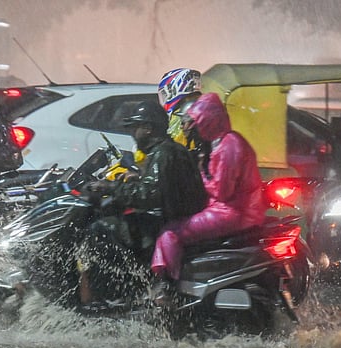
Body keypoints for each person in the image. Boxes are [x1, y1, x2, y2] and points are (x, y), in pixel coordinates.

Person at [77, 101, 208, 308]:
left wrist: (110, 188)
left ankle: (121, 292)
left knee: (101, 230)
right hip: (174, 216)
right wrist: (130, 180)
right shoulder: (168, 151)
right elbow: (158, 186)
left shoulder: (164, 153)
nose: (133, 134)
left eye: (135, 128)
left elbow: (150, 194)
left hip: (171, 221)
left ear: (148, 128)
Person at [151, 92, 268, 286]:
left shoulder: (230, 146)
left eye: (193, 122)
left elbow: (222, 190)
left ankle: (167, 287)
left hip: (233, 212)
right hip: (234, 209)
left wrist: (198, 177)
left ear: (207, 121)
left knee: (169, 233)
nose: (188, 127)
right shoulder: (222, 143)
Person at [158, 68, 202, 146]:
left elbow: (173, 144)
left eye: (164, 94)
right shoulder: (204, 108)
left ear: (173, 90)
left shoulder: (179, 115)